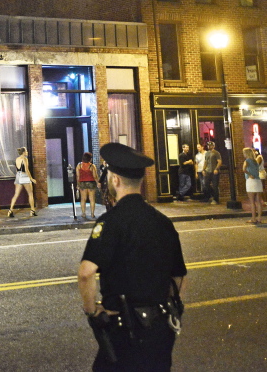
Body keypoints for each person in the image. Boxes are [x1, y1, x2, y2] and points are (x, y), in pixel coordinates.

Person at [78, 142, 187, 372]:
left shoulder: (111, 222)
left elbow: (86, 273)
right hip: (160, 327)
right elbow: (178, 276)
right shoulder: (162, 222)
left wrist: (92, 311)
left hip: (124, 328)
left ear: (115, 180)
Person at [7, 147, 38, 217]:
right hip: (24, 177)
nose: (27, 152)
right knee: (30, 193)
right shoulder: (25, 159)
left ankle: (10, 210)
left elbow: (16, 169)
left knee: (16, 194)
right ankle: (32, 210)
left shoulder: (17, 159)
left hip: (18, 176)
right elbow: (27, 170)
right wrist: (31, 178)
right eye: (26, 151)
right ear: (23, 152)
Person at [243, 148, 264, 224]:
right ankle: (259, 218)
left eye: (244, 153)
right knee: (259, 201)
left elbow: (244, 169)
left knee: (252, 202)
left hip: (250, 180)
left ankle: (253, 218)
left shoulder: (247, 161)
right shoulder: (255, 161)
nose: (243, 155)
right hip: (258, 181)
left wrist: (249, 174)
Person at [78, 152, 101, 218]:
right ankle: (92, 214)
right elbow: (95, 176)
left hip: (82, 183)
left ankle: (83, 213)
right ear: (90, 159)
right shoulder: (92, 166)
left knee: (83, 199)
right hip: (91, 183)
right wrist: (98, 183)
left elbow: (78, 176)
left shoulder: (79, 166)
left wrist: (78, 184)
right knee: (92, 199)